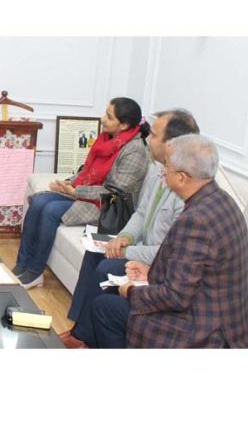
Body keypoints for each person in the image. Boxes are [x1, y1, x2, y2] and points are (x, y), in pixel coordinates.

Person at [90, 134, 248, 348]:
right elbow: (199, 271)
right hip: (226, 319)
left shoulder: (195, 220)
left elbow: (175, 297)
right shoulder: (223, 202)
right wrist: (151, 273)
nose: (162, 172)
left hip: (201, 329)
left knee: (104, 307)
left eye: (167, 167)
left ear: (182, 177)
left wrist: (130, 291)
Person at [60, 109, 200, 348]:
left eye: (154, 135)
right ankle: (80, 329)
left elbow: (165, 252)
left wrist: (126, 251)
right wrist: (125, 236)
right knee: (95, 251)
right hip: (139, 246)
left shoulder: (185, 189)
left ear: (171, 145)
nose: (147, 139)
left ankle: (85, 337)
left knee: (107, 265)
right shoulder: (158, 171)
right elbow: (141, 212)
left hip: (156, 261)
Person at [14, 97, 150, 289]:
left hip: (111, 203)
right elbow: (87, 170)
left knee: (50, 209)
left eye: (109, 117)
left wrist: (77, 191)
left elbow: (115, 193)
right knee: (39, 201)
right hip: (91, 194)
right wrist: (68, 184)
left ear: (124, 124)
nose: (103, 119)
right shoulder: (108, 138)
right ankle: (22, 263)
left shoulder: (135, 151)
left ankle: (35, 271)